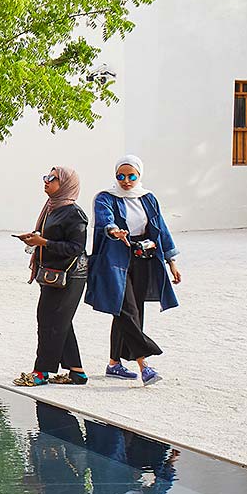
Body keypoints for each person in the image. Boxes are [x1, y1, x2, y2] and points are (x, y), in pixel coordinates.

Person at [84, 153, 184, 385]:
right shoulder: (105, 197)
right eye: (121, 176)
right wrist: (114, 230)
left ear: (139, 175)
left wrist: (172, 261)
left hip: (143, 257)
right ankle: (144, 365)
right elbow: (104, 219)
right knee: (126, 308)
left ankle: (113, 364)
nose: (126, 181)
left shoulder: (148, 198)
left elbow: (161, 228)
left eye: (131, 176)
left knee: (131, 311)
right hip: (115, 258)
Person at [15, 166, 90, 387]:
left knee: (51, 321)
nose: (46, 182)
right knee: (58, 321)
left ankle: (41, 372)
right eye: (46, 177)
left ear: (66, 183)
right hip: (52, 273)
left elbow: (77, 247)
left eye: (52, 178)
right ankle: (77, 372)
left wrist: (44, 243)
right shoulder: (51, 208)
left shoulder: (74, 213)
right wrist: (36, 239)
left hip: (71, 275)